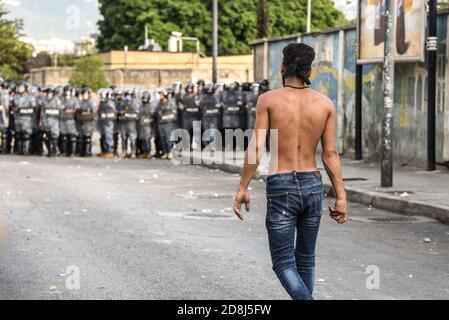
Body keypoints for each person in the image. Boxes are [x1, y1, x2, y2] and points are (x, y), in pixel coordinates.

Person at [233, 43, 348, 300]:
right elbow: (330, 154)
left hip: (282, 184)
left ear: (283, 68)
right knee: (305, 260)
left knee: (283, 263)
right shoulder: (325, 104)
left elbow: (256, 146)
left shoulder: (268, 100)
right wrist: (341, 195)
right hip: (312, 182)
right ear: (310, 70)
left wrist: (243, 188)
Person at [11, 81, 36, 155]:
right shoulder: (16, 97)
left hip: (27, 119)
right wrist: (14, 109)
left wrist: (24, 109)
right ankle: (19, 150)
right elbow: (12, 107)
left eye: (21, 87)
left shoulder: (30, 97)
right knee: (18, 134)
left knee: (26, 135)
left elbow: (34, 108)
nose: (19, 89)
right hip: (18, 118)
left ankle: (26, 150)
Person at [39, 85, 62, 157]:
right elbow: (42, 111)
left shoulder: (57, 101)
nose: (48, 94)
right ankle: (49, 150)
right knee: (46, 137)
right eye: (47, 92)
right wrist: (41, 121)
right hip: (46, 121)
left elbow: (60, 111)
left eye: (50, 92)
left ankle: (54, 150)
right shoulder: (44, 101)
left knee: (54, 137)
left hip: (55, 121)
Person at [156, 88, 178, 159]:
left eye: (161, 95)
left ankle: (170, 152)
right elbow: (157, 112)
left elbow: (174, 114)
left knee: (168, 138)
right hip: (161, 124)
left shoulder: (171, 102)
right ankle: (165, 152)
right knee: (163, 138)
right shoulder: (159, 103)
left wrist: (164, 118)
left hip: (168, 123)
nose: (160, 96)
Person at [179, 82, 201, 150]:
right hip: (186, 117)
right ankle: (188, 146)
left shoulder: (197, 97)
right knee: (187, 133)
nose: (189, 90)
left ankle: (199, 146)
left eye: (191, 88)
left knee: (197, 133)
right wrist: (181, 106)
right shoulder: (183, 97)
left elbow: (201, 107)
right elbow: (180, 106)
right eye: (188, 88)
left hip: (195, 117)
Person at [200, 83, 222, 150]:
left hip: (214, 117)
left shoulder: (216, 97)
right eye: (208, 89)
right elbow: (201, 107)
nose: (209, 90)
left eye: (210, 89)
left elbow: (219, 106)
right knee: (206, 131)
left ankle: (212, 146)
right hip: (206, 117)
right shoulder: (203, 97)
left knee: (213, 131)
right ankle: (207, 145)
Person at [75, 87, 96, 157]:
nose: (85, 96)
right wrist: (85, 111)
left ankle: (88, 152)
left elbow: (93, 111)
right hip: (81, 122)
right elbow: (78, 110)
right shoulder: (80, 102)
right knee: (81, 138)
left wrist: (85, 111)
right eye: (84, 94)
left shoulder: (91, 102)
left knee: (87, 138)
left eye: (86, 94)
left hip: (89, 122)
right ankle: (82, 152)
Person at [60, 85, 79, 157]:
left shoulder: (74, 99)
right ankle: (64, 151)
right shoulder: (61, 99)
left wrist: (69, 110)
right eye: (66, 91)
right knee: (64, 137)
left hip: (71, 120)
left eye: (68, 91)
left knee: (72, 137)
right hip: (63, 119)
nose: (67, 93)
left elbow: (77, 109)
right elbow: (59, 108)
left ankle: (72, 152)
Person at [98, 88, 117, 159]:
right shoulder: (102, 102)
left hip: (108, 122)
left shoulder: (110, 103)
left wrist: (105, 115)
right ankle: (105, 150)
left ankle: (110, 151)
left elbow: (112, 113)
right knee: (104, 136)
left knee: (108, 136)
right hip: (103, 122)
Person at [137, 91, 154, 159]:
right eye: (143, 97)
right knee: (143, 139)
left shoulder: (150, 106)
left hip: (148, 125)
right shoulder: (141, 105)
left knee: (147, 139)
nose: (144, 99)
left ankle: (148, 152)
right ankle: (144, 152)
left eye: (146, 97)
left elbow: (152, 116)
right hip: (141, 125)